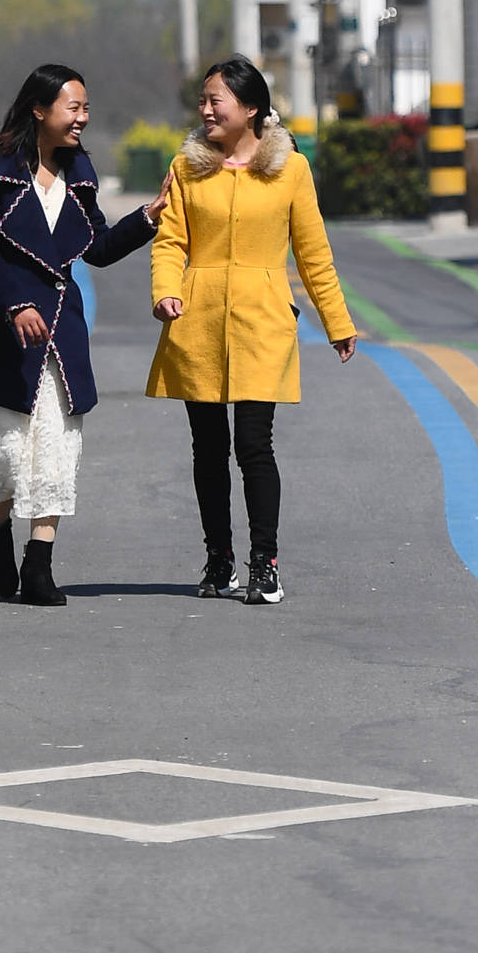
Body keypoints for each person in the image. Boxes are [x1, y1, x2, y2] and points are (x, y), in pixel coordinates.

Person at [0, 62, 173, 608]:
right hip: (1, 329)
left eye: (86, 109)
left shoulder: (81, 173)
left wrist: (147, 217)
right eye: (75, 108)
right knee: (4, 454)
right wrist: (15, 302)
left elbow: (98, 248)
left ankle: (39, 563)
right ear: (39, 110)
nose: (83, 119)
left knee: (56, 448)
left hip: (60, 330)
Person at [146, 54, 356, 606]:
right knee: (207, 448)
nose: (205, 109)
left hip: (263, 322)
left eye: (216, 99)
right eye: (203, 100)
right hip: (197, 322)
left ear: (251, 107)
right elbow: (171, 241)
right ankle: (219, 560)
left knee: (254, 446)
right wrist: (166, 289)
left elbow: (313, 253)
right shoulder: (187, 167)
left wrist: (337, 321)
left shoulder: (291, 169)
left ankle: (265, 562)